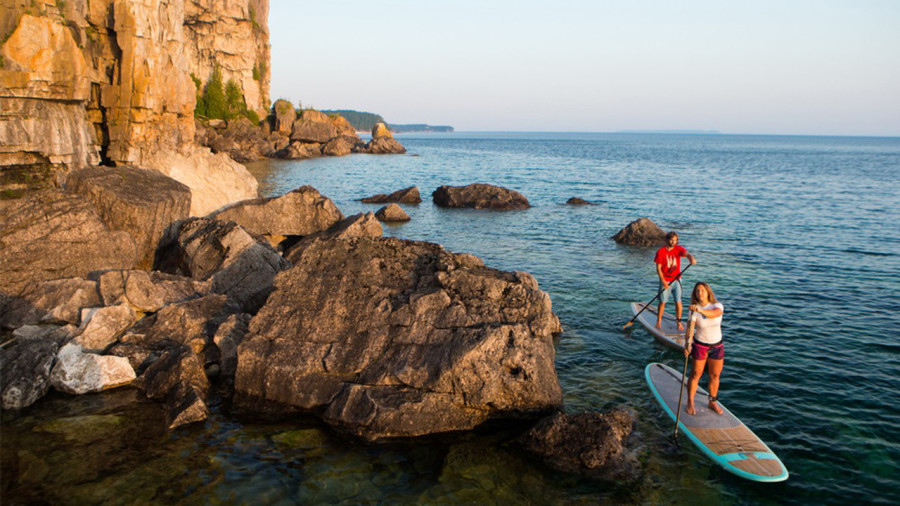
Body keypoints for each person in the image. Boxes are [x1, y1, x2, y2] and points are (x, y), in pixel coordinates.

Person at [684, 281, 725, 415]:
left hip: (717, 345)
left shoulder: (717, 306)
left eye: (702, 290)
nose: (700, 293)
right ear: (694, 294)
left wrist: (700, 310)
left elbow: (715, 314)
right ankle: (690, 401)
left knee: (715, 375)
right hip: (700, 345)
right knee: (696, 374)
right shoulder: (693, 311)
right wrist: (687, 344)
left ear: (708, 292)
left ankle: (712, 401)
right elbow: (689, 330)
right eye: (697, 291)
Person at [655, 231, 696, 330]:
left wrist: (691, 258)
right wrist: (663, 281)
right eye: (671, 240)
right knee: (663, 302)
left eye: (675, 240)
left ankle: (679, 322)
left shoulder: (679, 249)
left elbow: (687, 254)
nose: (673, 242)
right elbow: (658, 268)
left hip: (677, 280)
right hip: (666, 280)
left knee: (678, 302)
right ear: (667, 240)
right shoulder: (660, 251)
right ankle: (659, 321)